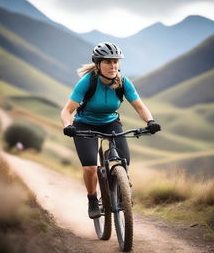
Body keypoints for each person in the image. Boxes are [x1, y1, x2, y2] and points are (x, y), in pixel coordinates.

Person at [60, 42, 161, 219]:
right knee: (91, 168)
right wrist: (68, 126)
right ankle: (92, 200)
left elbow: (139, 107)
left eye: (116, 62)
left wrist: (150, 121)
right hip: (85, 124)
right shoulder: (87, 82)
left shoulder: (123, 82)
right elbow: (66, 110)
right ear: (98, 64)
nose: (113, 66)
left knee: (123, 161)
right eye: (108, 62)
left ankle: (121, 191)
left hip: (110, 122)